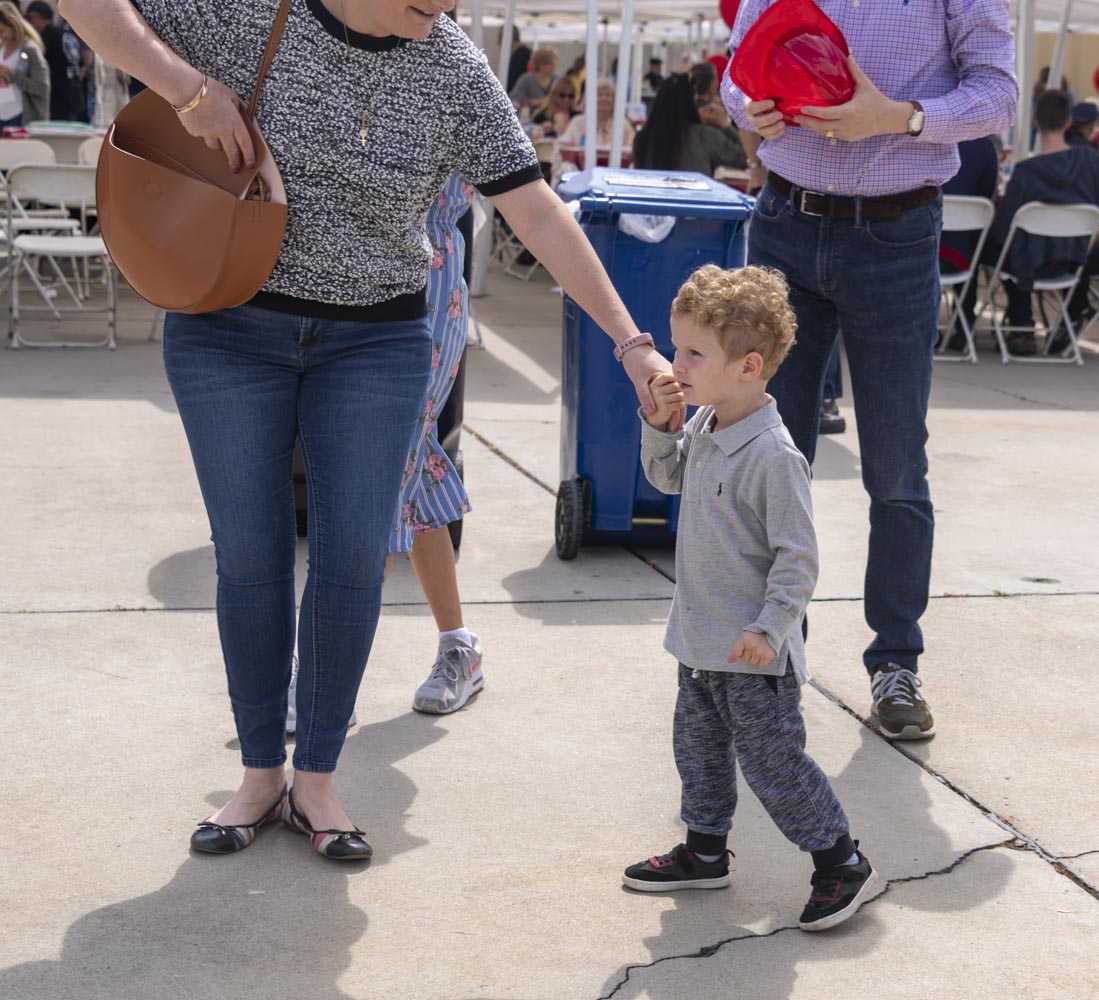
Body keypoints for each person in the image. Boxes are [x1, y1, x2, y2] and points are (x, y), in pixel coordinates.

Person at [60, 0, 678, 861]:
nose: (452, 8)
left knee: (352, 561)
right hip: (228, 329)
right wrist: (185, 86)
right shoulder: (244, 13)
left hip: (377, 339)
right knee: (251, 557)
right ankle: (257, 776)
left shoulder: (453, 65)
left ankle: (316, 779)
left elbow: (535, 212)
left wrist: (634, 345)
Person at [723, 0, 1017, 741]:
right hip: (785, 222)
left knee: (893, 468)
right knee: (767, 458)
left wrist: (898, 116)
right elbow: (737, 66)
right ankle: (772, 653)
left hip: (896, 231)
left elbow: (998, 93)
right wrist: (749, 106)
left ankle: (895, 662)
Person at [623, 265, 878, 933]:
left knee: (772, 763)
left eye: (692, 354)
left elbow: (798, 558)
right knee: (698, 752)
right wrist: (661, 424)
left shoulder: (772, 455)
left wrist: (769, 628)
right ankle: (704, 851)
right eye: (677, 349)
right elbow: (666, 477)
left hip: (753, 652)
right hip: (701, 641)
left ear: (749, 366)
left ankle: (839, 860)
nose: (676, 365)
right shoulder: (705, 421)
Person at [982, 89, 1099, 357]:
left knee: (999, 246)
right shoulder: (1090, 162)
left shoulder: (1025, 173)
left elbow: (1003, 232)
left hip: (1030, 265)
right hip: (1076, 261)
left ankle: (1022, 324)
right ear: (1069, 121)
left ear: (1035, 122)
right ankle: (1066, 316)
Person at [632, 72, 745, 175]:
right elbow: (744, 157)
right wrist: (725, 126)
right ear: (690, 103)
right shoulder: (703, 136)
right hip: (695, 196)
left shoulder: (642, 137)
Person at [551, 77, 635, 185]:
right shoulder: (578, 122)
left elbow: (634, 149)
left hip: (614, 179)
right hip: (582, 178)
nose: (603, 98)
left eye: (608, 95)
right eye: (599, 95)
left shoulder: (622, 124)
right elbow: (560, 147)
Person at [24, 0, 81, 120]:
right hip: (74, 96)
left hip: (58, 99)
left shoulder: (47, 37)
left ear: (37, 17)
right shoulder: (66, 34)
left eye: (30, 19)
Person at [0, 2, 49, 127]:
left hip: (21, 117)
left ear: (13, 25)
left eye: (2, 31)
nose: (1, 36)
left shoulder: (29, 50)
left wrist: (12, 74)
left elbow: (42, 88)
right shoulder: (2, 47)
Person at [508, 46, 557, 117]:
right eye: (551, 64)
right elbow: (515, 99)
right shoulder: (526, 79)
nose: (554, 66)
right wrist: (536, 102)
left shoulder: (555, 79)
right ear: (542, 65)